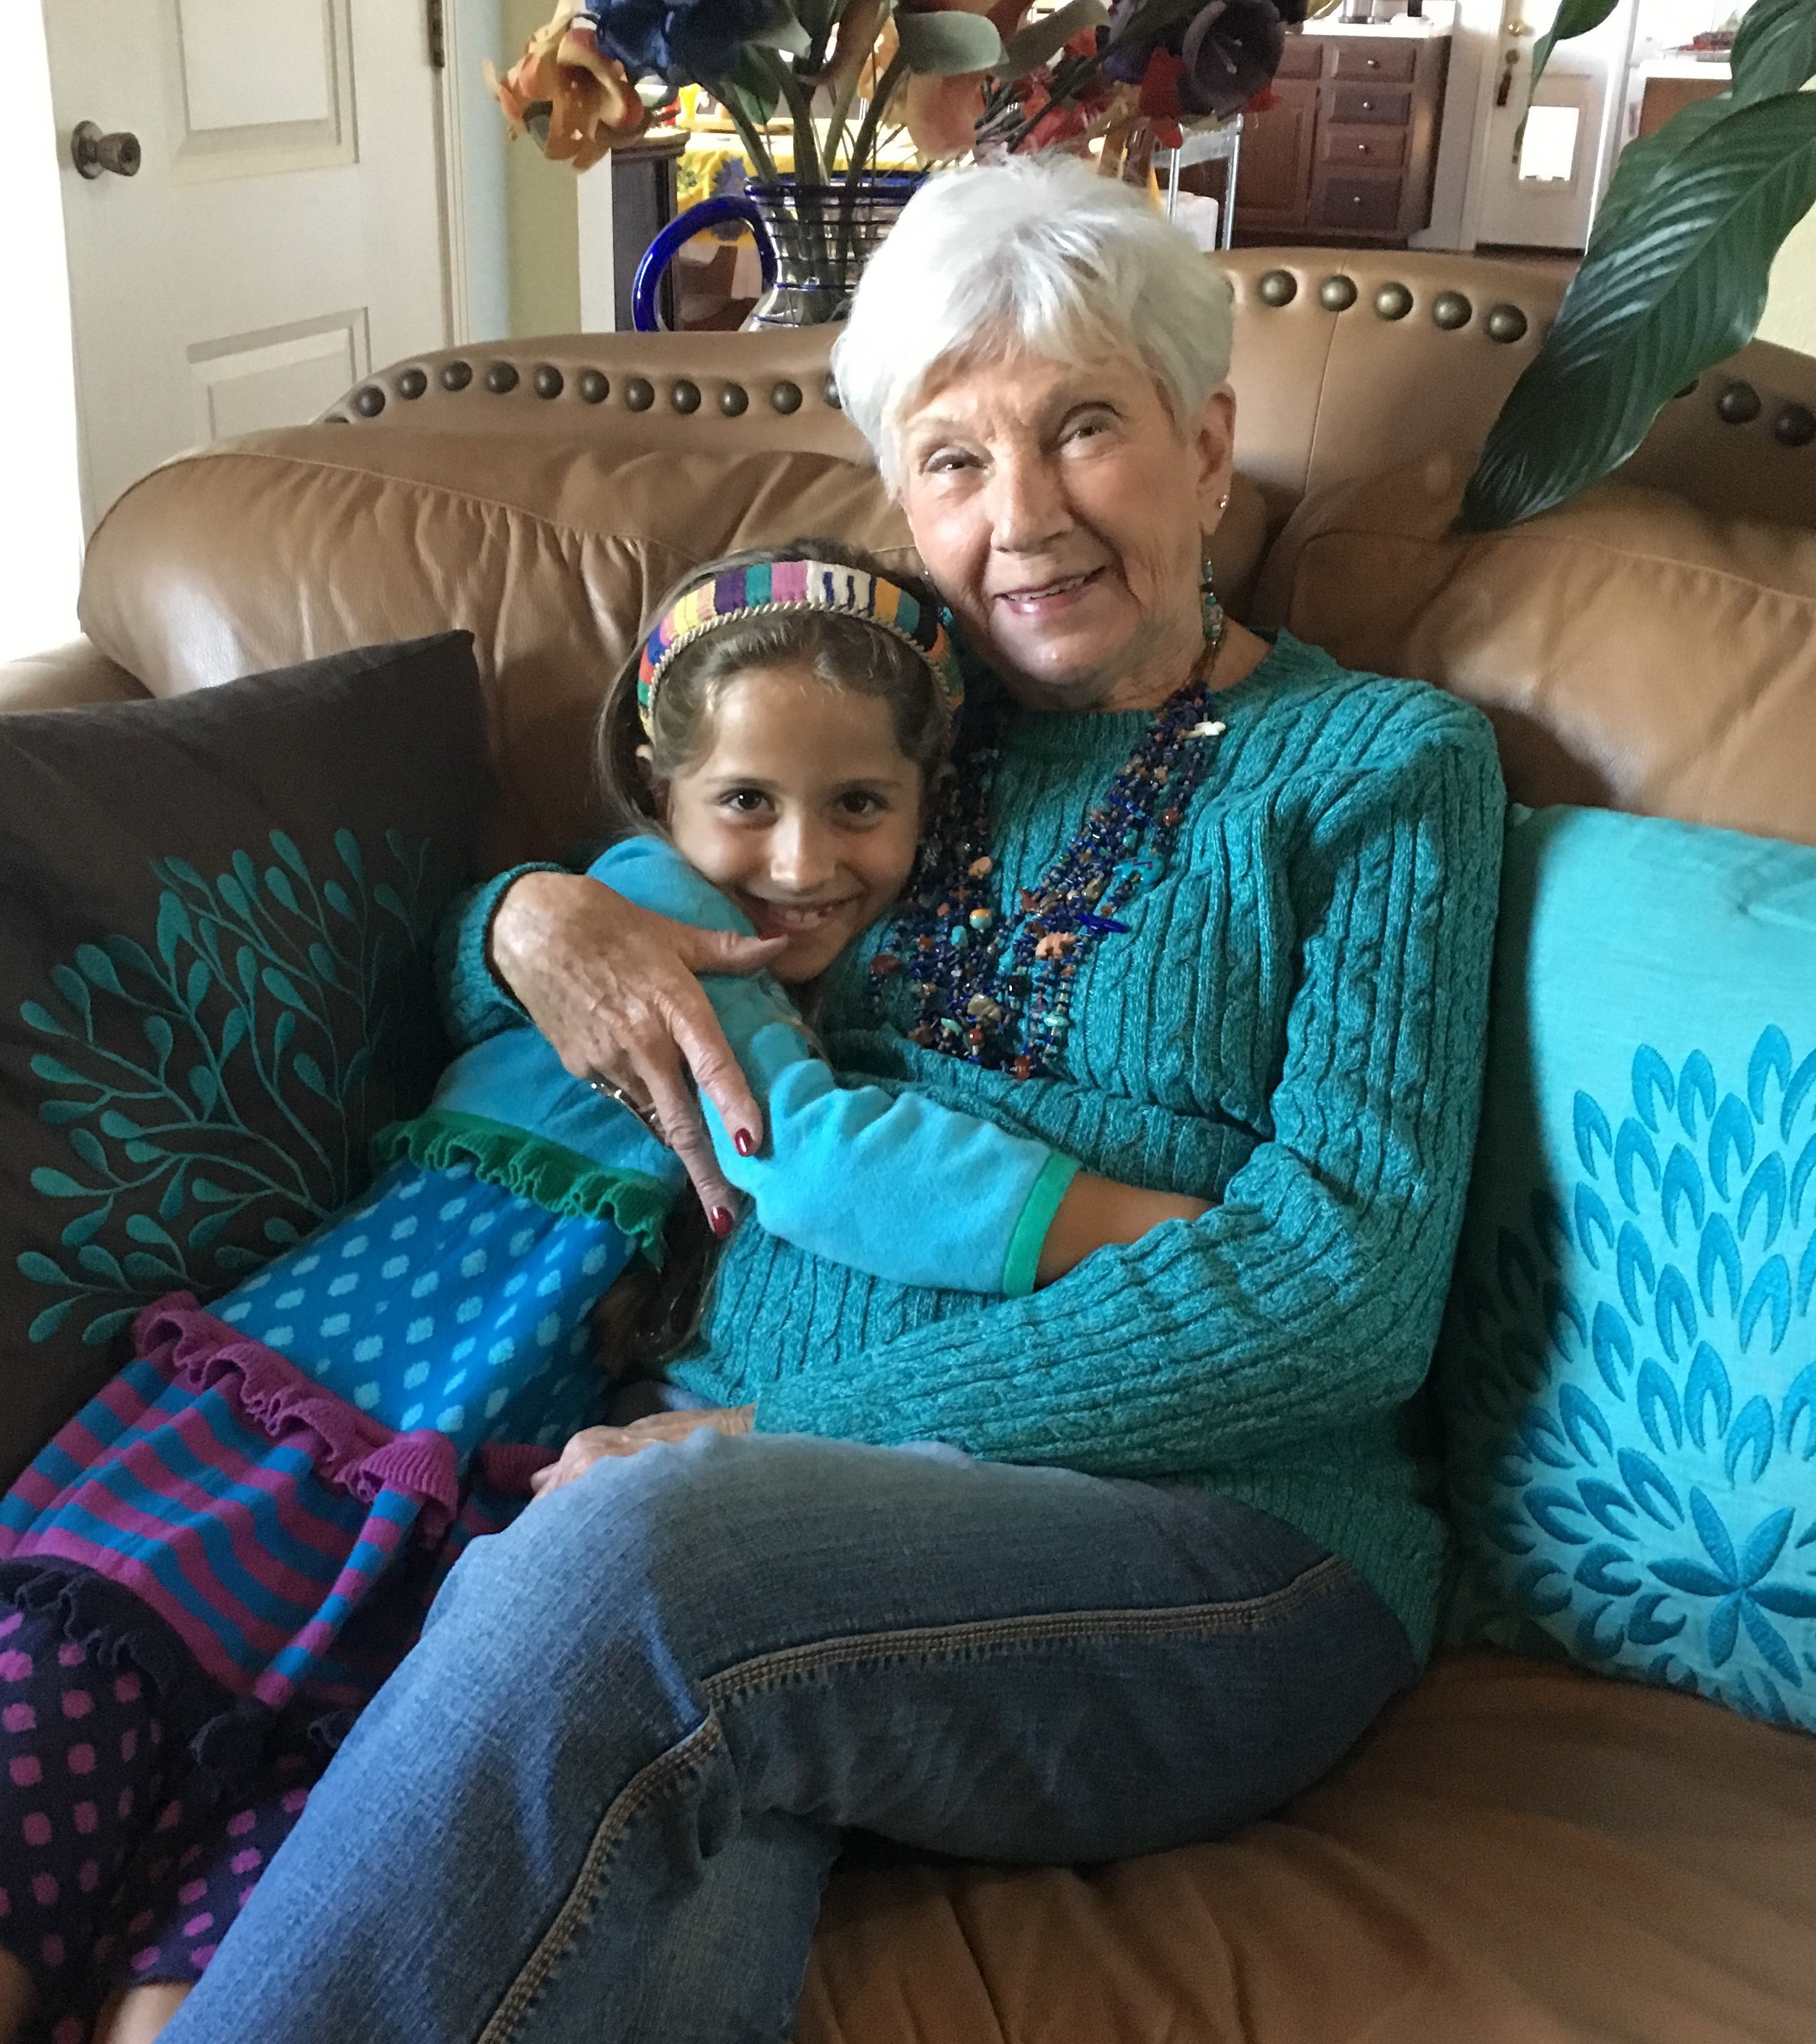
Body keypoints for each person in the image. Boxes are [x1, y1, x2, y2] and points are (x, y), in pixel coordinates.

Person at [156, 152, 1510, 2044]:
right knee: (648, 1891)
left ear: (1208, 446)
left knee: (625, 1575)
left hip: (1222, 1532)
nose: (1021, 515)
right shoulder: (885, 733)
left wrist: (773, 1433)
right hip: (772, 1519)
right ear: (901, 501)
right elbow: (591, 931)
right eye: (953, 459)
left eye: (1085, 428)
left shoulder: (1376, 766)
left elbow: (1342, 1296)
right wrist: (526, 918)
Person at [0, 540, 1193, 2044]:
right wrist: (1160, 1227)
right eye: (745, 803)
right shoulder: (646, 907)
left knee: (261, 1910)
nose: (798, 863)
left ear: (929, 798)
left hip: (448, 1522)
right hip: (297, 1413)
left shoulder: (867, 976)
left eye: (860, 804)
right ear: (660, 796)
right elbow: (807, 1153)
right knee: (2, 1812)